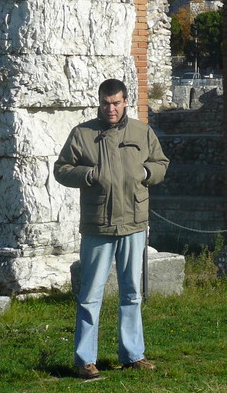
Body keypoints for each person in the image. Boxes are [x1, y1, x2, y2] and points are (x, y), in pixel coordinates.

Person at [54, 78, 169, 380]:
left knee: (132, 293)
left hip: (133, 223)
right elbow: (62, 169)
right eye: (106, 103)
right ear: (100, 102)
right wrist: (89, 174)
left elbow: (161, 163)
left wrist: (145, 172)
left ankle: (132, 355)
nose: (111, 108)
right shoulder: (82, 133)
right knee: (91, 294)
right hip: (98, 226)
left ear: (126, 101)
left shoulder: (142, 132)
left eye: (116, 102)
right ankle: (85, 360)